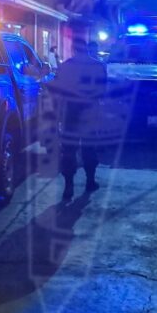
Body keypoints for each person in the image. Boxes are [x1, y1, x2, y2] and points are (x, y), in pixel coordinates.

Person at [48, 27, 107, 202]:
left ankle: (68, 186)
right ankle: (90, 181)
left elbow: (57, 91)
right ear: (86, 48)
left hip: (70, 112)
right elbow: (102, 91)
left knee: (69, 149)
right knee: (89, 147)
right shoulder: (98, 66)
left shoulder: (65, 66)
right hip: (90, 112)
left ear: (73, 48)